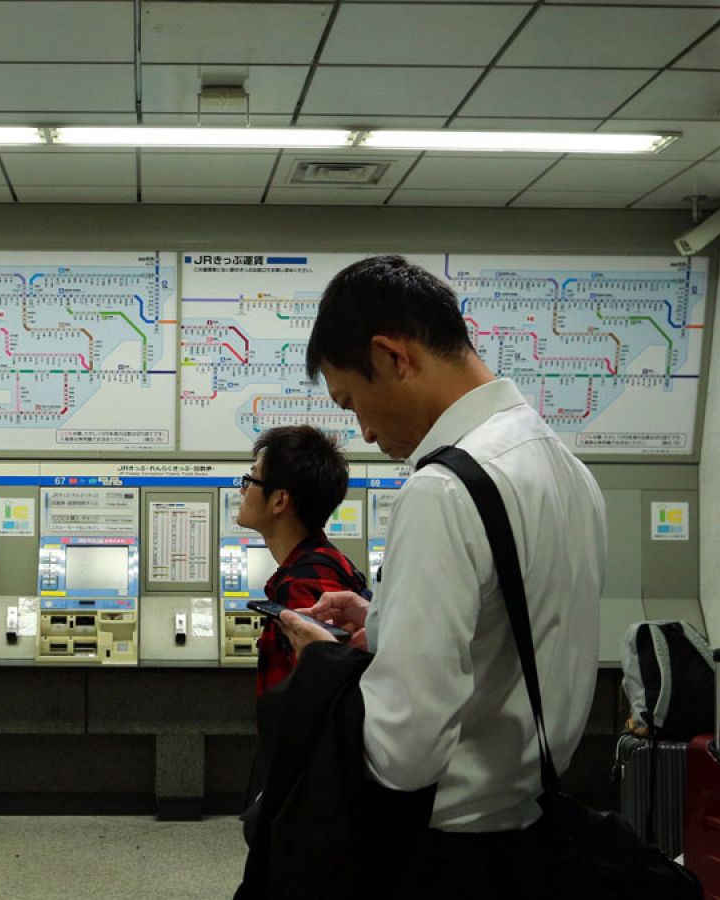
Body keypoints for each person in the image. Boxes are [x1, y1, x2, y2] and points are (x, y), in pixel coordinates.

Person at [274, 255, 608, 897]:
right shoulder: (563, 467)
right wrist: (386, 622)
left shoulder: (444, 490)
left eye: (353, 403)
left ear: (393, 356)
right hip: (533, 828)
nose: (365, 433)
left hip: (444, 852)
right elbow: (519, 628)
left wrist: (325, 665)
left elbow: (404, 752)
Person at [235, 424, 367, 696]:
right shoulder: (323, 563)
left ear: (280, 501)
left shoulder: (305, 584)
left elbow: (313, 699)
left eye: (251, 480)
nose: (242, 490)